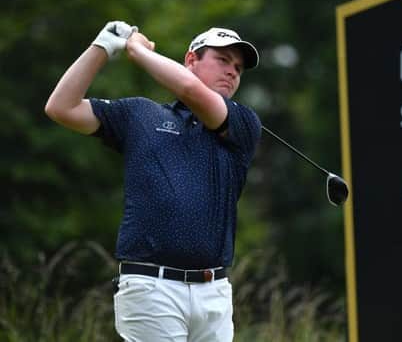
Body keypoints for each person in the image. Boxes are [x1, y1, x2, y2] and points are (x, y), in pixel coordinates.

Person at [44, 20, 262, 341]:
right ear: (191, 60)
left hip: (214, 292)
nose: (232, 72)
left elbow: (189, 90)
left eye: (239, 68)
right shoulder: (140, 115)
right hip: (151, 287)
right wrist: (104, 45)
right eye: (223, 60)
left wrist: (135, 49)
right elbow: (61, 107)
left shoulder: (243, 124)